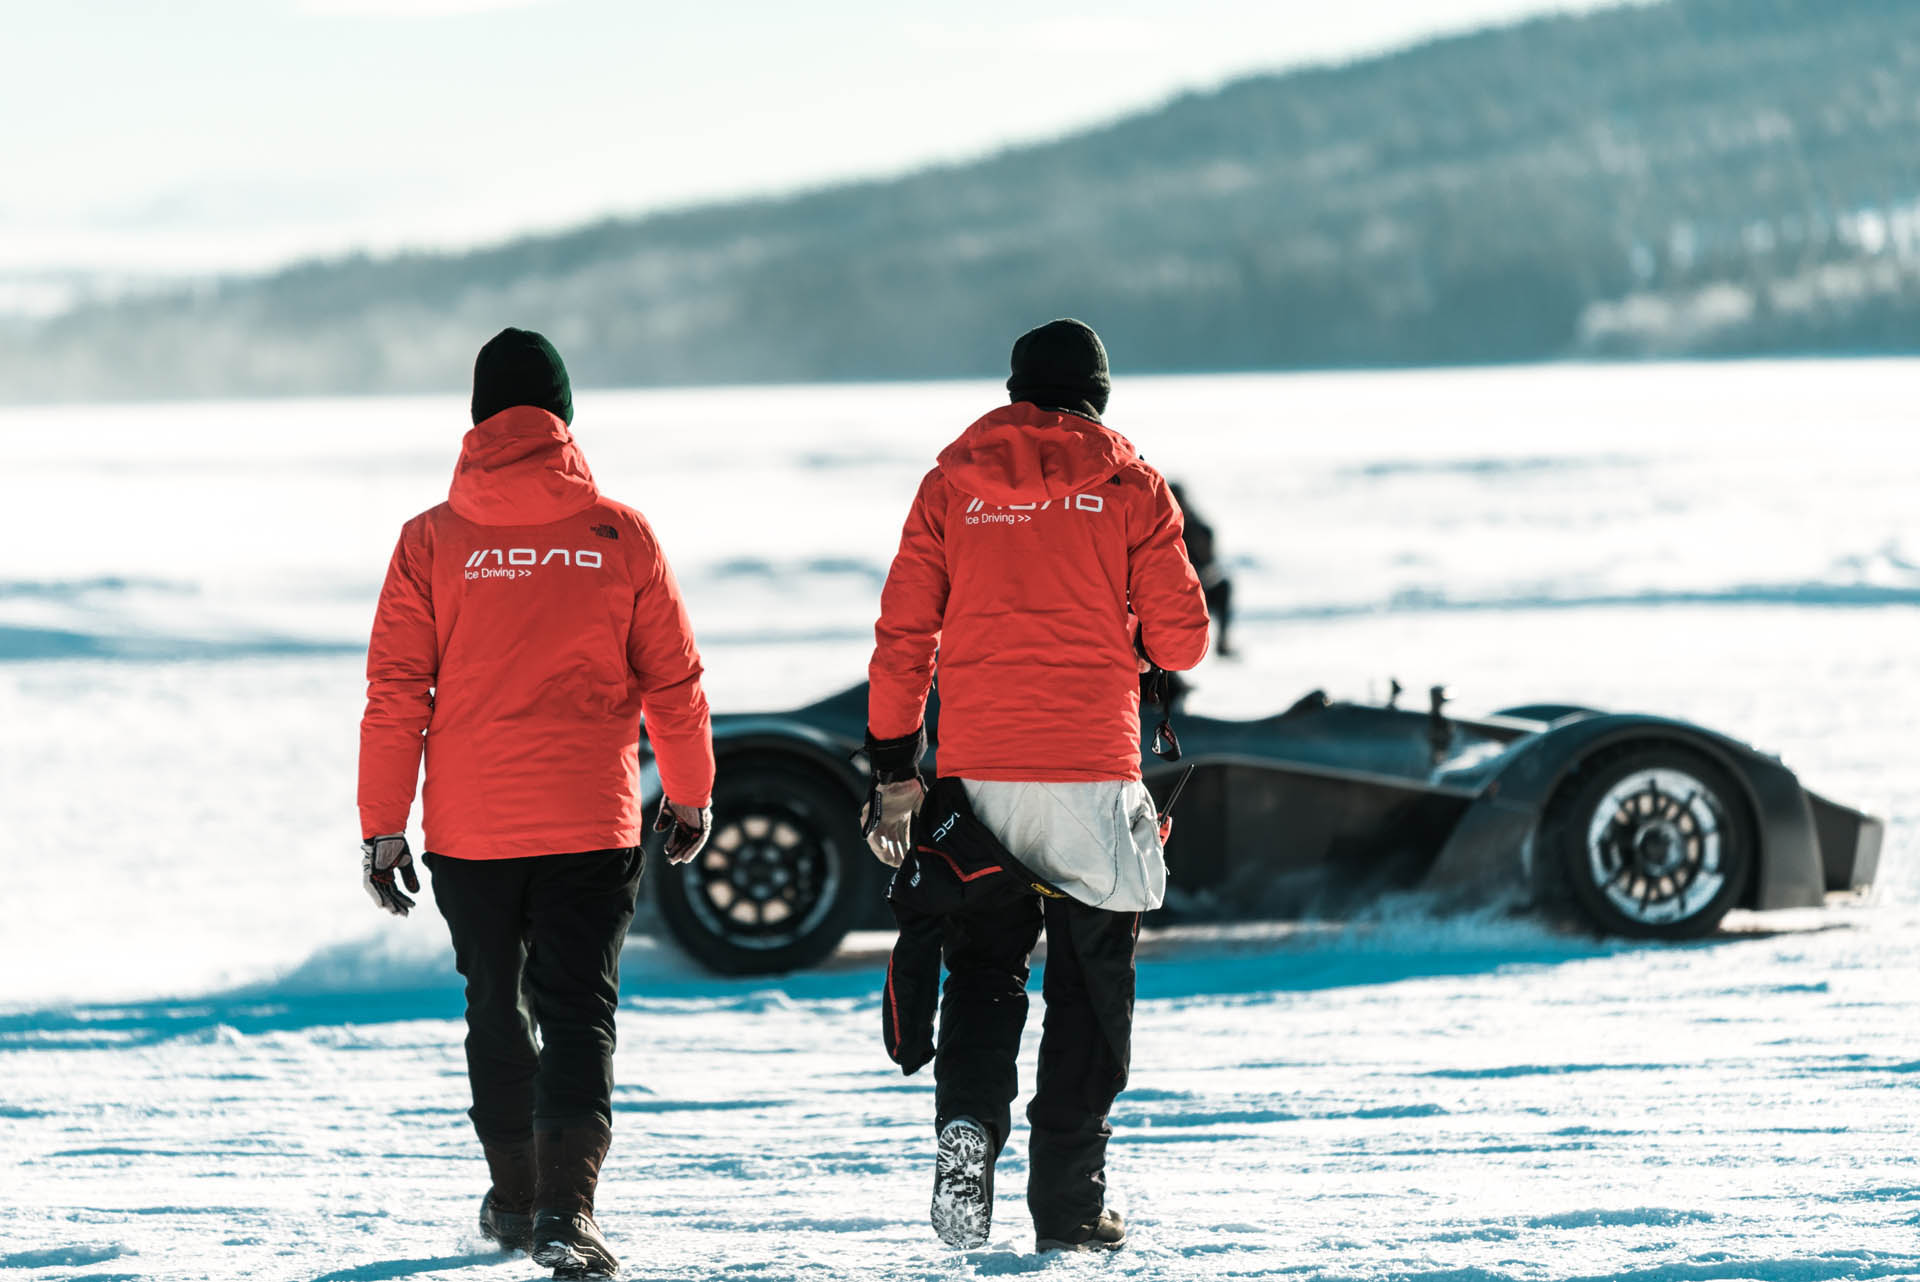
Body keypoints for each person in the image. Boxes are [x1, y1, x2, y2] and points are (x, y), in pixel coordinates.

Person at [357, 328, 715, 1281]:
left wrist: (383, 827)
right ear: (564, 416)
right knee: (579, 1010)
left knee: (495, 1008)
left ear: (478, 417)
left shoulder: (430, 540)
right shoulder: (620, 533)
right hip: (591, 823)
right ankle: (567, 1211)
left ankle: (516, 1196)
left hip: (471, 831)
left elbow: (397, 692)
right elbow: (673, 682)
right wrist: (689, 795)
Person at [863, 318, 1210, 1254]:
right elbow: (1182, 640)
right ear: (1097, 395)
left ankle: (965, 1128)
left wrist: (895, 764)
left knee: (984, 970)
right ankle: (1069, 1200)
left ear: (1015, 391)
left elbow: (903, 636)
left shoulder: (950, 485)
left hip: (979, 780)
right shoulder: (1133, 483)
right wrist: (1123, 629)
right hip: (1092, 774)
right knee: (1092, 988)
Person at [1169, 481, 1235, 658]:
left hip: (1197, 585)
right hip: (1172, 590)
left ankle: (1223, 642)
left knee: (1224, 587)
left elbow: (1210, 562)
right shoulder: (1164, 524)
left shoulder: (1199, 528)